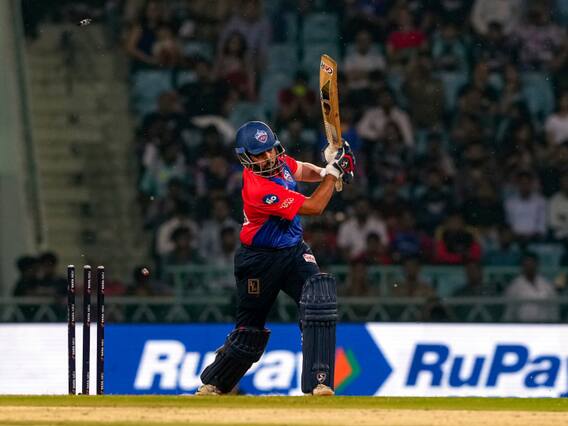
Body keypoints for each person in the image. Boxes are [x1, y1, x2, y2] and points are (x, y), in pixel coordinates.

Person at [196, 121, 355, 396]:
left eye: (270, 149)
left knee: (319, 300)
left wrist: (326, 168)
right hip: (258, 261)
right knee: (250, 332)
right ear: (245, 158)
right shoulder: (258, 188)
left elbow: (300, 169)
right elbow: (314, 207)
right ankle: (215, 383)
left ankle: (320, 382)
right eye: (259, 154)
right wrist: (333, 174)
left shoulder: (279, 162)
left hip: (293, 251)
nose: (268, 157)